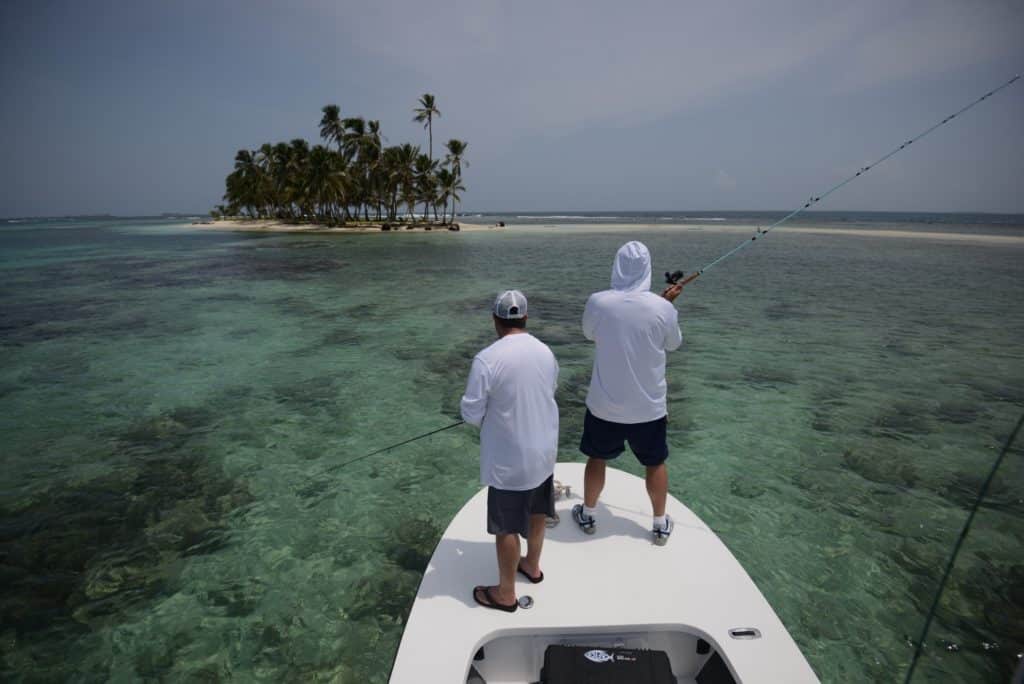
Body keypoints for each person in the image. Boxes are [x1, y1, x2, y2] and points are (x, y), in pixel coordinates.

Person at [572, 241, 684, 545]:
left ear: (616, 266)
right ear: (647, 268)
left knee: (597, 457)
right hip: (648, 408)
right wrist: (667, 305)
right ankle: (660, 523)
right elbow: (673, 344)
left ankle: (589, 513)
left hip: (604, 405)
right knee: (655, 462)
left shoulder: (598, 302)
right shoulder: (663, 308)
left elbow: (588, 333)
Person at [460, 290, 559, 612]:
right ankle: (532, 565)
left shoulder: (487, 359)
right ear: (525, 318)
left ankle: (505, 594)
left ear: (495, 319)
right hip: (544, 451)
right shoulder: (546, 352)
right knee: (537, 511)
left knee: (505, 526)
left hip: (509, 461)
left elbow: (471, 415)